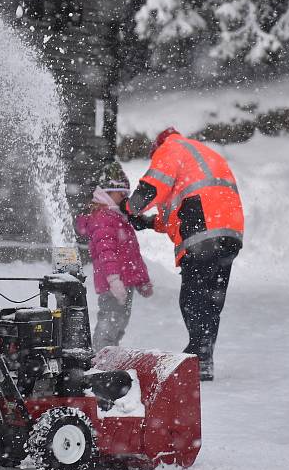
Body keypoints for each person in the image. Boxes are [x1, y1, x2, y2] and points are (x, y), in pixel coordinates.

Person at [120, 127, 243, 381]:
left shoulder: (171, 148)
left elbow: (154, 185)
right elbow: (178, 211)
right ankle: (203, 358)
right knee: (212, 298)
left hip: (202, 229)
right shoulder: (200, 154)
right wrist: (148, 222)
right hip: (228, 230)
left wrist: (131, 207)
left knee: (193, 297)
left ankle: (196, 355)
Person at [75, 162, 153, 352]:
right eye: (121, 194)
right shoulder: (103, 218)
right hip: (114, 283)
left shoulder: (118, 218)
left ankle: (110, 353)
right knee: (110, 320)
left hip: (125, 280)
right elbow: (106, 252)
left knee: (119, 322)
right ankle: (100, 354)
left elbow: (132, 254)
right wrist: (114, 279)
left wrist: (142, 280)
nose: (125, 198)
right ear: (107, 193)